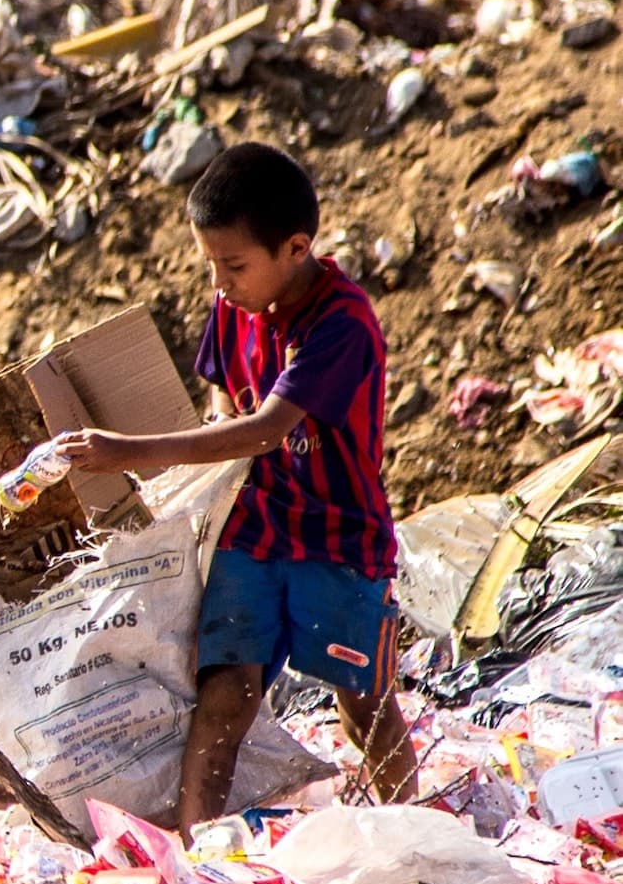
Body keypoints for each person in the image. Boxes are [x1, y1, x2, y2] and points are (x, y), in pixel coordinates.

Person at [53, 140, 418, 838]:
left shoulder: (343, 324)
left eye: (235, 265)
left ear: (295, 248)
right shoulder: (236, 305)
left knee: (364, 700)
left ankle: (413, 835)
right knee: (226, 692)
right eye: (212, 264)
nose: (221, 282)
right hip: (250, 531)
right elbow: (223, 396)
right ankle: (197, 853)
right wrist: (210, 446)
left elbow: (264, 430)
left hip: (338, 537)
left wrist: (126, 452)